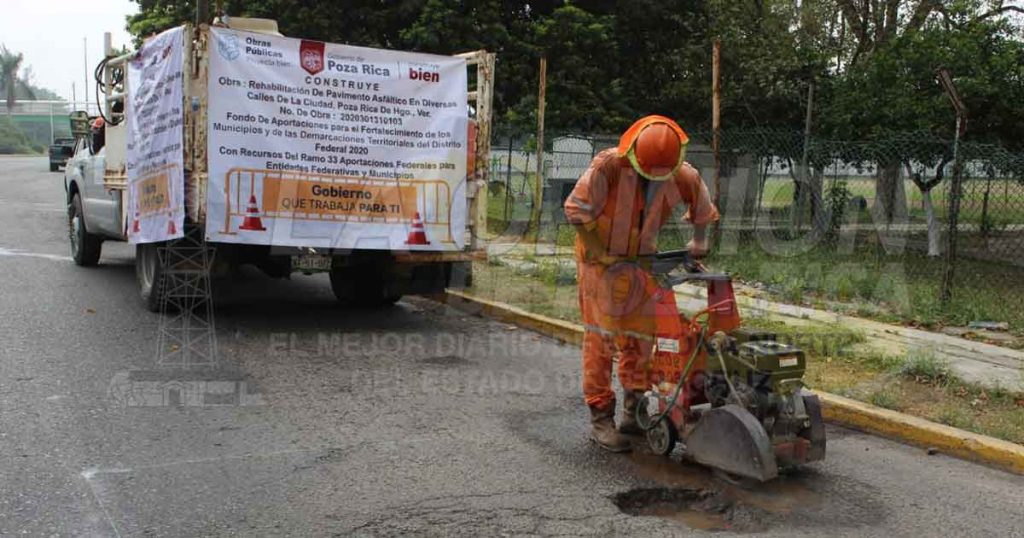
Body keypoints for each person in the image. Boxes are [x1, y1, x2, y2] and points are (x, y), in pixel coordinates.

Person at [563, 115, 719, 452]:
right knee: (601, 338)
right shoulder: (608, 168)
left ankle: (634, 411)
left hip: (642, 261)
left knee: (644, 336)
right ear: (633, 155)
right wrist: (600, 253)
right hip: (598, 263)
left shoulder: (681, 173)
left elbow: (702, 203)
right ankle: (601, 418)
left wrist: (699, 241)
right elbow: (576, 211)